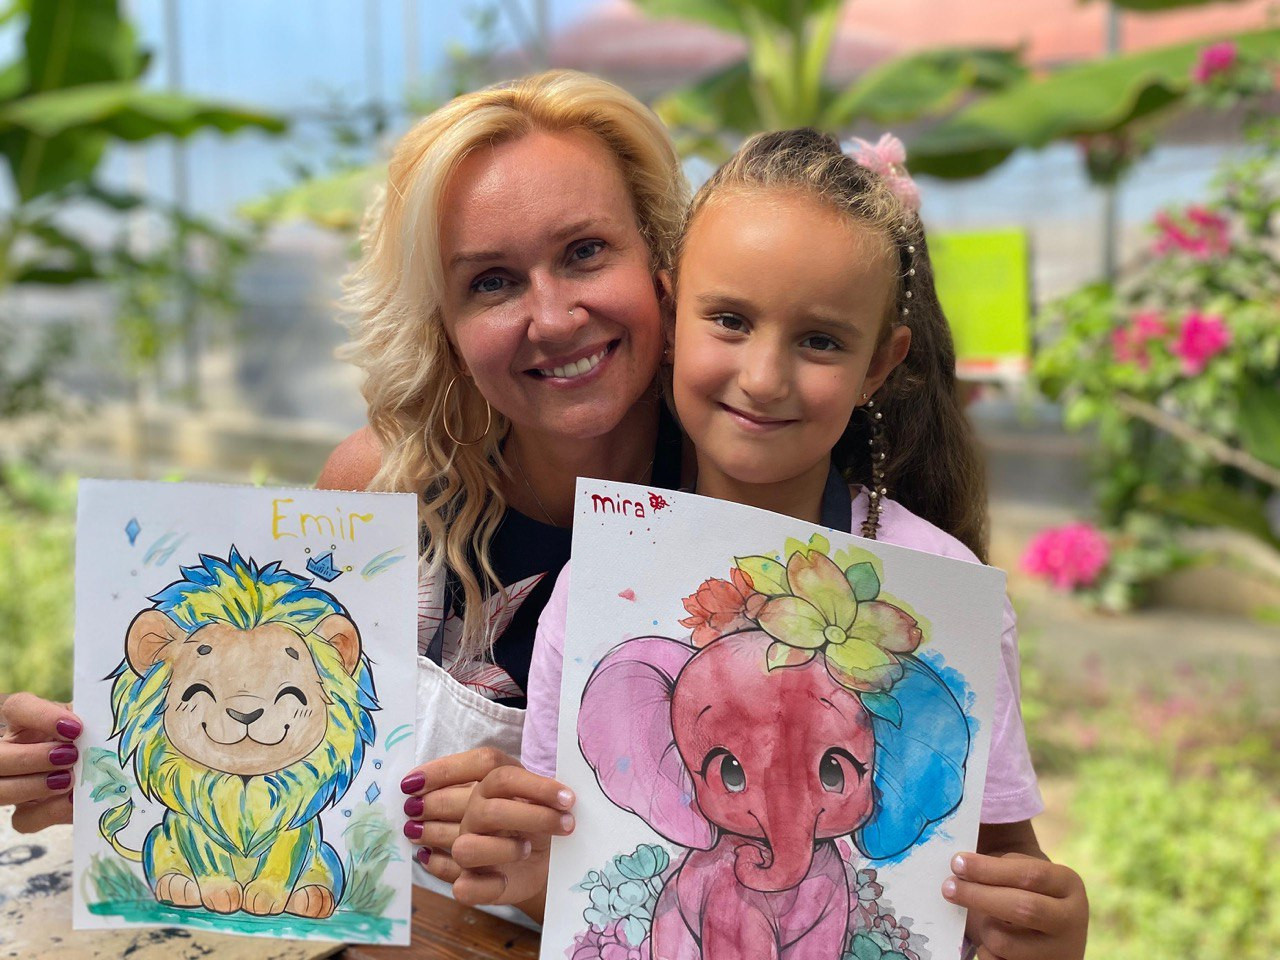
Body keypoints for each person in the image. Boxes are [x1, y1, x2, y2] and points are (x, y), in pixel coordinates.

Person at [0, 71, 689, 925]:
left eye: (585, 251)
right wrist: (107, 774)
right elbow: (285, 788)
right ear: (444, 325)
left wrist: (559, 874)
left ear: (660, 263)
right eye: (491, 282)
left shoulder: (754, 517)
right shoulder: (380, 492)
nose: (550, 318)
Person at [440, 129, 1089, 958]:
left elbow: (1000, 874)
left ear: (879, 365)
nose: (764, 377)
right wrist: (526, 874)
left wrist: (1046, 931)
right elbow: (578, 885)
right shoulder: (600, 581)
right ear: (670, 318)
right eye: (730, 321)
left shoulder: (943, 588)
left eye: (821, 340)